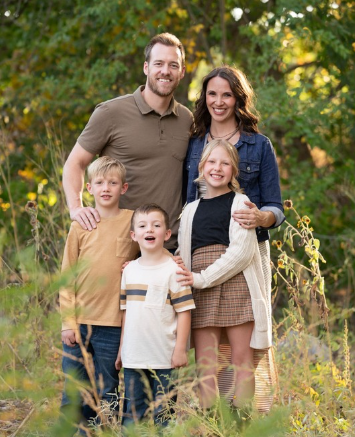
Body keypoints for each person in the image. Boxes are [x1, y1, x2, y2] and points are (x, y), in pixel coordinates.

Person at [184, 66, 284, 411]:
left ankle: (244, 416)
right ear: (205, 98)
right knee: (208, 355)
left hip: (247, 253)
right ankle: (214, 418)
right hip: (200, 257)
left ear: (238, 99)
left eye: (227, 94)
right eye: (212, 94)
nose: (219, 101)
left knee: (246, 349)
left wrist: (262, 217)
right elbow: (190, 202)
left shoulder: (259, 145)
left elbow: (275, 205)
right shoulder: (196, 143)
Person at [62, 32, 192, 252]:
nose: (165, 71)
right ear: (146, 68)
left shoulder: (187, 120)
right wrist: (76, 208)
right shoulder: (110, 113)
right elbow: (75, 163)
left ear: (182, 72)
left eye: (173, 65)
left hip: (168, 247)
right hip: (117, 245)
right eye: (158, 63)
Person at [177, 139, 272, 412]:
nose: (217, 168)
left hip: (236, 284)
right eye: (212, 162)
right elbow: (184, 255)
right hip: (200, 288)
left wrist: (201, 278)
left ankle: (241, 420)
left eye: (225, 163)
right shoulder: (190, 210)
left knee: (242, 358)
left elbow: (241, 253)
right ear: (201, 166)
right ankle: (212, 421)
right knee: (206, 362)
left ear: (234, 171)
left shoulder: (241, 203)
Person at [59, 156, 139, 434]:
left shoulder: (132, 222)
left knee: (108, 391)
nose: (106, 188)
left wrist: (142, 264)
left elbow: (150, 256)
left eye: (113, 183)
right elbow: (67, 277)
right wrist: (67, 323)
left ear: (124, 188)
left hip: (113, 325)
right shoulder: (80, 225)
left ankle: (99, 432)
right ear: (89, 188)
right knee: (74, 390)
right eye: (100, 183)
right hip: (79, 324)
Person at [115, 204, 195, 427]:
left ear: (167, 234)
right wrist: (122, 349)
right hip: (133, 357)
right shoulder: (129, 271)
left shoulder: (174, 271)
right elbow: (126, 313)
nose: (149, 230)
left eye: (156, 225)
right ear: (134, 235)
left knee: (165, 417)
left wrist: (180, 349)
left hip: (164, 357)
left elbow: (184, 311)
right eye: (142, 226)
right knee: (132, 416)